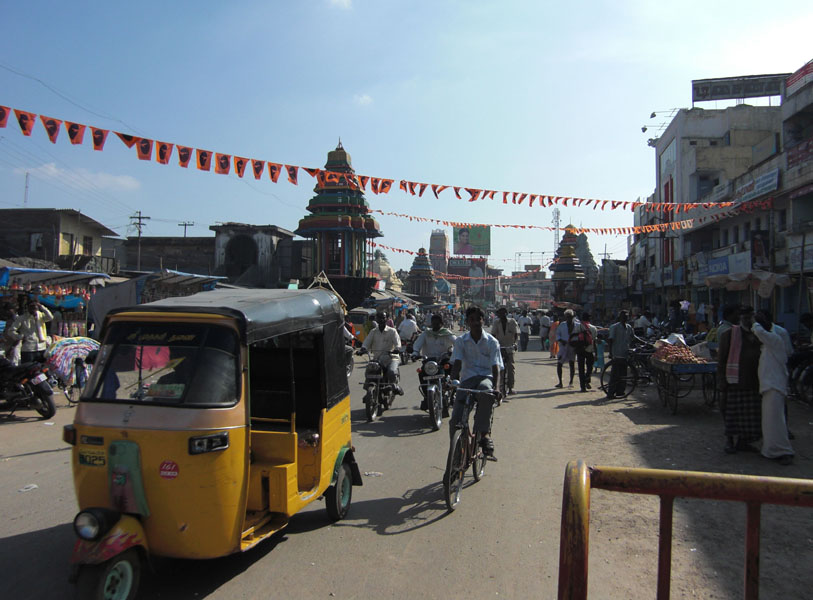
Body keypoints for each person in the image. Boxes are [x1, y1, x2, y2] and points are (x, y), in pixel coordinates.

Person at [449, 305, 503, 457]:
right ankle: (456, 453)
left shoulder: (492, 342)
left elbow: (496, 367)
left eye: (478, 319)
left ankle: (484, 435)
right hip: (467, 379)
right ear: (467, 322)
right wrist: (452, 381)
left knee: (486, 392)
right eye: (471, 320)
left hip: (486, 377)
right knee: (455, 421)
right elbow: (457, 363)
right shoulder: (461, 341)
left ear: (482, 320)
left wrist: (497, 388)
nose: (475, 323)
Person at [717, 306, 762, 454]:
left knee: (750, 415)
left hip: (752, 380)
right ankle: (730, 441)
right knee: (731, 414)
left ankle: (744, 441)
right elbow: (722, 359)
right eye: (745, 317)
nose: (748, 320)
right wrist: (722, 381)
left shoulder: (758, 334)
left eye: (751, 317)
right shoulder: (729, 335)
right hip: (733, 381)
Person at [752, 311, 794, 465]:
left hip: (774, 385)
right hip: (770, 385)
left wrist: (755, 321)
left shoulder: (774, 340)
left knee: (775, 420)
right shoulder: (770, 342)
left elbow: (758, 331)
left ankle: (782, 450)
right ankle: (770, 449)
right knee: (770, 420)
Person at [413, 314, 457, 411]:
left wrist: (454, 352)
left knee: (453, 370)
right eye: (433, 323)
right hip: (429, 361)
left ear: (442, 323)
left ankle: (453, 393)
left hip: (443, 359)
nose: (435, 325)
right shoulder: (426, 333)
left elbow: (457, 343)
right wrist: (415, 353)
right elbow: (417, 344)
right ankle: (426, 396)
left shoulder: (447, 333)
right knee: (421, 374)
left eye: (438, 323)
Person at [360, 312, 404, 396]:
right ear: (376, 319)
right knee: (369, 371)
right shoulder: (373, 332)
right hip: (377, 358)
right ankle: (368, 391)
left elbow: (398, 343)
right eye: (379, 318)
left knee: (391, 371)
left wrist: (397, 349)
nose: (381, 320)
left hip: (391, 358)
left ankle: (395, 386)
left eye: (383, 318)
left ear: (386, 319)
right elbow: (366, 342)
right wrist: (363, 349)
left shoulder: (392, 331)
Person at [8, 298, 53, 363]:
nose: (33, 309)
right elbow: (11, 331)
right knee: (28, 369)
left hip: (41, 347)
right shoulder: (22, 318)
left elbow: (50, 317)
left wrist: (42, 307)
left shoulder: (41, 316)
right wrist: (20, 337)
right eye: (32, 307)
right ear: (28, 307)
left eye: (35, 307)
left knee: (41, 369)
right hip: (28, 349)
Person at [490, 306, 518, 395]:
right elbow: (493, 334)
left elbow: (516, 333)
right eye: (499, 314)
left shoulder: (512, 322)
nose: (500, 315)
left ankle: (510, 387)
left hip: (509, 347)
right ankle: (498, 386)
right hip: (499, 348)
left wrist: (515, 343)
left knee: (510, 368)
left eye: (502, 313)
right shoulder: (496, 322)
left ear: (505, 313)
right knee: (498, 368)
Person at [606, 310, 634, 399]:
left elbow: (633, 337)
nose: (625, 318)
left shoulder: (629, 327)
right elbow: (610, 340)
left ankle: (620, 392)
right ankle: (611, 393)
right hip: (617, 354)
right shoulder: (614, 327)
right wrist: (610, 353)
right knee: (615, 375)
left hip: (625, 354)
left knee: (623, 375)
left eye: (627, 316)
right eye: (624, 316)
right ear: (620, 317)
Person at [555, 309, 580, 388]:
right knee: (559, 363)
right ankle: (560, 382)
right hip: (563, 346)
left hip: (573, 347)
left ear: (572, 317)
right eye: (567, 317)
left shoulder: (577, 325)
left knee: (572, 364)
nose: (568, 318)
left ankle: (571, 381)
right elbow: (557, 334)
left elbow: (580, 336)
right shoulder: (562, 325)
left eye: (569, 317)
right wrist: (561, 340)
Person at [577, 312, 598, 392]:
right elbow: (594, 341)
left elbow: (574, 338)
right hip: (590, 350)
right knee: (590, 367)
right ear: (589, 319)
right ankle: (587, 378)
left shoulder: (578, 326)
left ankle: (582, 387)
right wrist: (596, 353)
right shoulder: (593, 328)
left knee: (581, 368)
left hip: (580, 350)